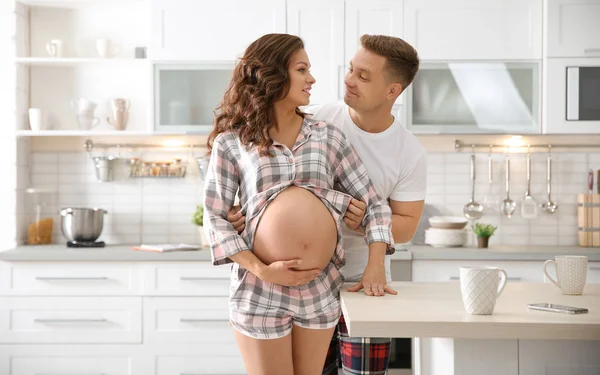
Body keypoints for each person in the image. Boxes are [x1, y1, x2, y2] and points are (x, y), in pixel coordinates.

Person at [227, 34, 426, 375]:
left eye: (363, 76)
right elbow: (260, 176)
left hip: (364, 281)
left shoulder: (408, 152)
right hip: (297, 283)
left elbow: (405, 225)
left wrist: (365, 230)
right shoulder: (317, 119)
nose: (348, 79)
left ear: (392, 90)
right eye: (351, 69)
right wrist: (240, 213)